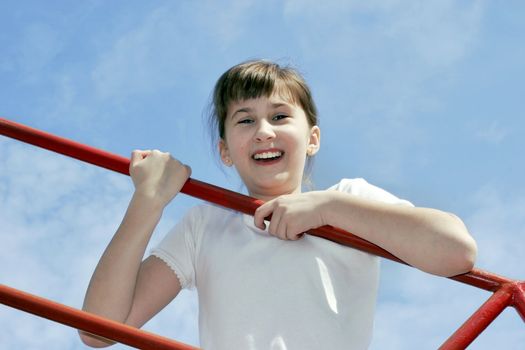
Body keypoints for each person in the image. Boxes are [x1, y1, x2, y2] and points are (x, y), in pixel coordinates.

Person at [80, 60, 477, 349]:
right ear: (225, 151)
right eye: (244, 120)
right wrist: (148, 201)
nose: (263, 132)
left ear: (313, 138)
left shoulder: (351, 199)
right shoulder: (205, 225)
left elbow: (456, 252)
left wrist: (327, 209)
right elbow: (98, 329)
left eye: (281, 115)